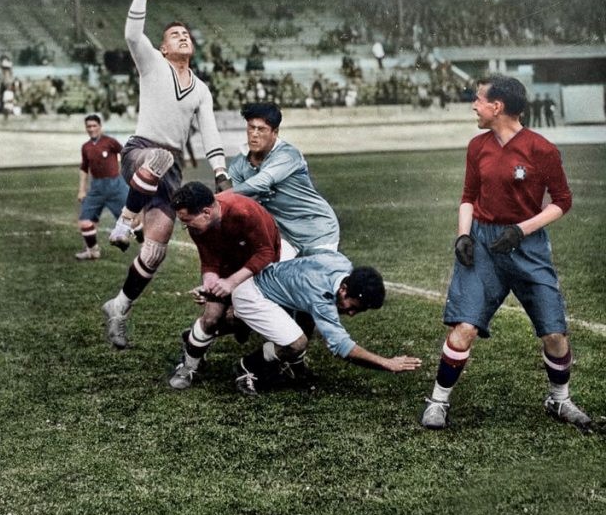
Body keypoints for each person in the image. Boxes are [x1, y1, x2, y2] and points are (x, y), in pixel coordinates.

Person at [419, 75, 591, 432]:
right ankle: (438, 400)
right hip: (482, 243)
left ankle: (559, 400)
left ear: (496, 107)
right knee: (463, 328)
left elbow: (563, 202)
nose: (473, 106)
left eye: (478, 100)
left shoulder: (541, 149)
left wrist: (521, 230)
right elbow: (468, 196)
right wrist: (463, 236)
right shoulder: (477, 146)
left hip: (527, 245)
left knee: (554, 334)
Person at [101, 0, 231, 349]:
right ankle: (125, 222)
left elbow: (209, 132)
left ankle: (119, 306)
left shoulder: (201, 89)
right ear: (163, 48)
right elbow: (130, 34)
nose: (183, 37)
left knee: (155, 250)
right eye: (175, 34)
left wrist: (221, 173)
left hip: (168, 169)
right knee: (156, 158)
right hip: (140, 151)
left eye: (186, 34)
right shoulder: (152, 64)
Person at [167, 182, 308, 391]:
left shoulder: (244, 211)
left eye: (188, 221)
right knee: (211, 317)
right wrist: (209, 283)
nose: (187, 227)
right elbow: (209, 260)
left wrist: (231, 282)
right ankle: (189, 366)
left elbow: (266, 253)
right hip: (231, 264)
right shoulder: (200, 225)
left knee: (250, 318)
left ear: (206, 212)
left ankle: (277, 362)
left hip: (266, 267)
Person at [237, 252, 423, 395]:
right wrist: (386, 363)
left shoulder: (342, 263)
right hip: (254, 295)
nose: (350, 314)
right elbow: (342, 346)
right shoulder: (321, 297)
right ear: (343, 289)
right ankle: (248, 365)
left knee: (307, 318)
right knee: (297, 342)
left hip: (267, 283)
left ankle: (294, 364)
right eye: (353, 308)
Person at [228, 103, 340, 260]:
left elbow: (260, 183)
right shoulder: (238, 164)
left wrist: (218, 197)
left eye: (261, 129)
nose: (254, 134)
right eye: (251, 127)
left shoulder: (288, 155)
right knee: (271, 275)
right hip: (284, 235)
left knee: (313, 280)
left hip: (316, 231)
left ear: (275, 132)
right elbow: (239, 203)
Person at [74, 113, 135, 260]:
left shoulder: (110, 142)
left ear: (100, 127)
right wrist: (82, 189)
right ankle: (92, 251)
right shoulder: (86, 147)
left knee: (131, 219)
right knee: (85, 221)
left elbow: (126, 155)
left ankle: (144, 241)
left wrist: (129, 176)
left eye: (94, 125)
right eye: (88, 126)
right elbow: (84, 168)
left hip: (115, 185)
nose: (91, 129)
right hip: (96, 188)